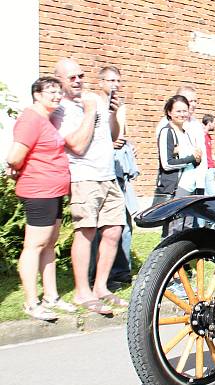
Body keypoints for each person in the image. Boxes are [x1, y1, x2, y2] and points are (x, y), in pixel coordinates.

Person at [52, 58, 126, 314]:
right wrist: (90, 112)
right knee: (86, 232)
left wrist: (113, 113)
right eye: (71, 77)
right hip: (84, 177)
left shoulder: (94, 99)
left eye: (80, 75)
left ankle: (101, 287)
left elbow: (114, 136)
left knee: (114, 230)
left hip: (108, 175)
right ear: (60, 81)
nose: (78, 81)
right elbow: (78, 145)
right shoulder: (62, 109)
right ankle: (82, 292)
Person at [6, 77, 75, 321]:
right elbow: (15, 156)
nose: (56, 96)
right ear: (36, 94)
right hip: (39, 190)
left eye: (58, 92)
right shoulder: (31, 119)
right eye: (50, 92)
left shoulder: (46, 119)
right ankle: (31, 302)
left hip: (53, 190)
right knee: (34, 245)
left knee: (49, 244)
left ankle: (51, 296)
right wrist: (16, 168)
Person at [91, 65, 139, 288]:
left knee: (122, 223)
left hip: (117, 171)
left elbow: (120, 135)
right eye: (110, 81)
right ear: (100, 82)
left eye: (118, 81)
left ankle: (121, 272)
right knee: (97, 226)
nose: (115, 85)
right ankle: (96, 275)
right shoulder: (91, 104)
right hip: (96, 172)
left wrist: (127, 145)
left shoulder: (119, 107)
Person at [155, 95, 202, 235]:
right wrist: (191, 158)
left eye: (185, 111)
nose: (182, 114)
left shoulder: (186, 133)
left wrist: (196, 160)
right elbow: (167, 164)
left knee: (186, 229)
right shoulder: (167, 132)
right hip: (176, 188)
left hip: (190, 186)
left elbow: (191, 159)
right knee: (173, 229)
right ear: (169, 112)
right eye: (178, 111)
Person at [201, 114, 215, 197]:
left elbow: (210, 155)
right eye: (214, 123)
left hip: (211, 169)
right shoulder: (201, 136)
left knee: (208, 195)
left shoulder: (208, 136)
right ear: (209, 123)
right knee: (214, 195)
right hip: (207, 169)